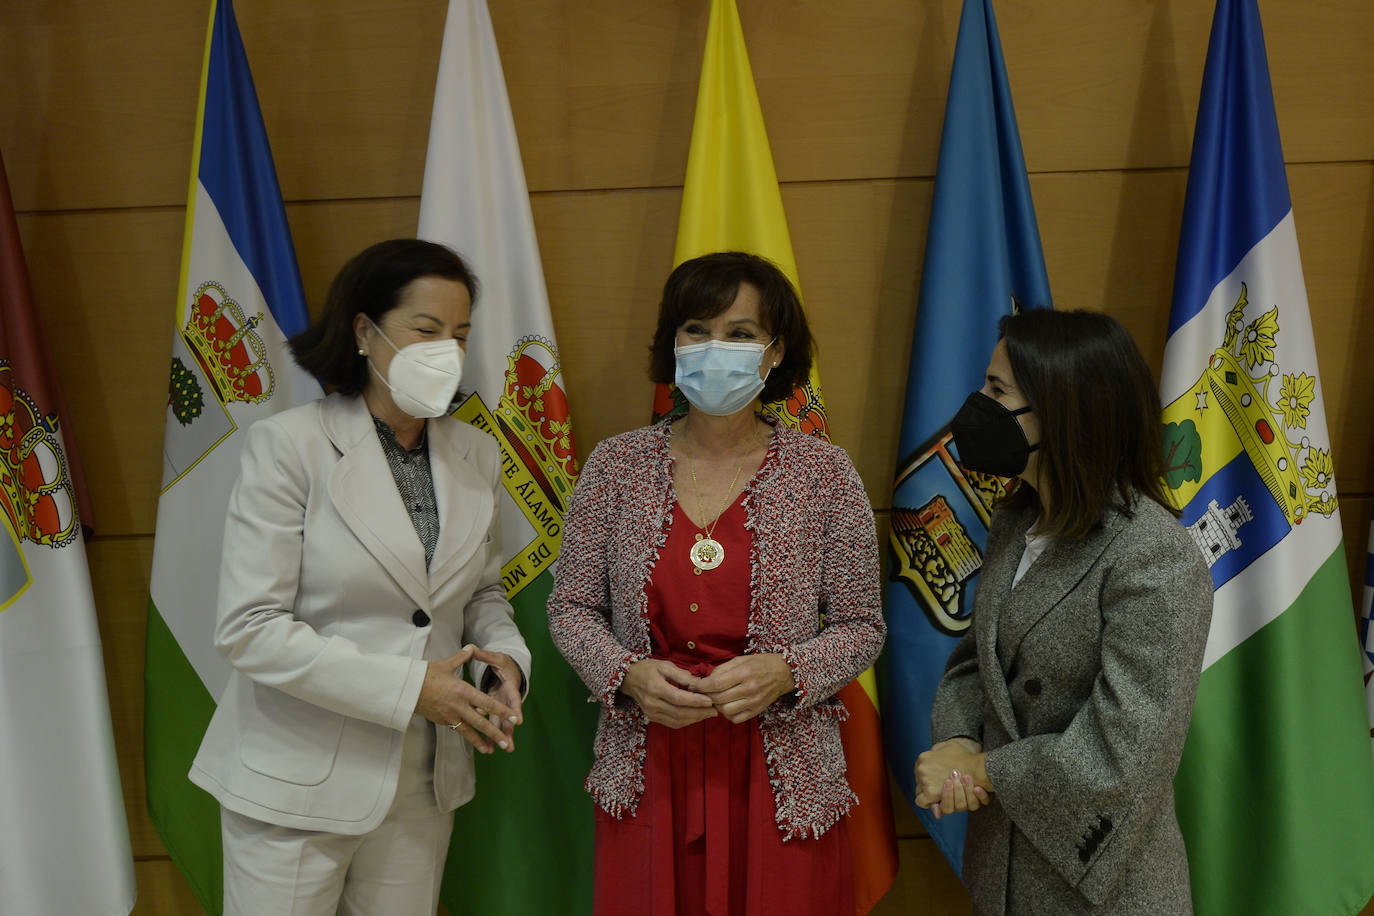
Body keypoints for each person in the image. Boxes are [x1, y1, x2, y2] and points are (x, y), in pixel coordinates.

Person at [190, 239, 531, 915]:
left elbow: (481, 593)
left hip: (423, 785)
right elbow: (249, 630)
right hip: (295, 780)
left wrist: (507, 661)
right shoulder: (290, 448)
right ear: (364, 331)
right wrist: (413, 688)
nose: (447, 350)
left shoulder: (477, 453)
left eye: (459, 335)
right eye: (426, 330)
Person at [547, 251, 885, 915]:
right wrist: (627, 676)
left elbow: (862, 626)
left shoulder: (825, 473)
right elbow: (572, 608)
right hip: (649, 771)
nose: (714, 348)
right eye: (696, 330)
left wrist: (786, 671)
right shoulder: (615, 466)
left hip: (781, 778)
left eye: (738, 333)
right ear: (671, 343)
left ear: (775, 351)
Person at [913, 309, 1214, 914]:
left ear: (1064, 410)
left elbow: (1123, 754)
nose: (976, 403)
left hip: (1101, 885)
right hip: (1001, 871)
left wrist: (984, 769)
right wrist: (953, 750)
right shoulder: (1014, 520)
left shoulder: (1153, 555)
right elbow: (977, 666)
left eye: (997, 390)